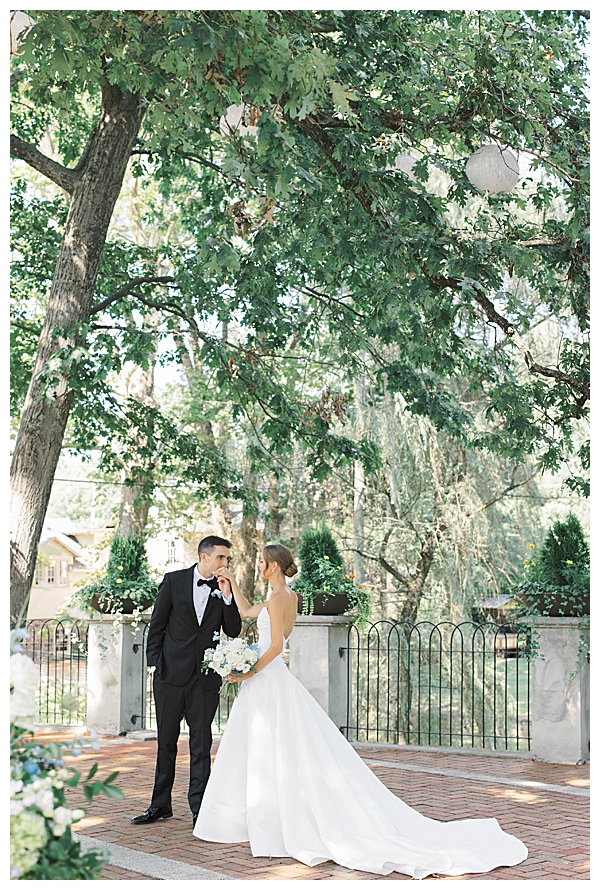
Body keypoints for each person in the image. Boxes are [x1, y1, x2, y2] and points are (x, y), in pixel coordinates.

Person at [193, 543, 528, 879]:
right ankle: (266, 817)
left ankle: (279, 821)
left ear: (275, 567)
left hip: (267, 679)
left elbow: (278, 647)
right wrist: (232, 586)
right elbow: (250, 611)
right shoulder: (285, 598)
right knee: (270, 749)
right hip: (267, 682)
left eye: (262, 562)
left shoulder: (282, 599)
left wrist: (249, 671)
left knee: (277, 748)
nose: (260, 566)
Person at [131, 534, 242, 827]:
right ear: (204, 557)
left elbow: (234, 630)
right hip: (169, 677)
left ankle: (200, 809)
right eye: (221, 557)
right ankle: (159, 805)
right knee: (165, 743)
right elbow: (157, 626)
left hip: (205, 680)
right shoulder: (173, 581)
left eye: (227, 559)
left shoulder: (224, 589)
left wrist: (228, 595)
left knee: (200, 744)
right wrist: (154, 665)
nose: (225, 563)